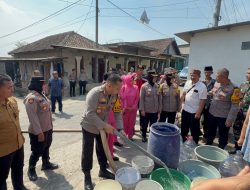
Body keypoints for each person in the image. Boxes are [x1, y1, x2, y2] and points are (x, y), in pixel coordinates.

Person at [80, 73, 124, 190]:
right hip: (89, 126)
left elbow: (117, 111)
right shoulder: (95, 93)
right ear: (109, 85)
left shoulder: (114, 95)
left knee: (103, 149)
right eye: (118, 88)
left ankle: (103, 170)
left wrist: (120, 128)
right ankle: (87, 177)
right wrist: (105, 125)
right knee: (87, 151)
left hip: (102, 128)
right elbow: (90, 114)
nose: (119, 90)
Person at [24, 76, 58, 181]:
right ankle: (31, 169)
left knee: (46, 147)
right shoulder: (32, 98)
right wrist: (39, 133)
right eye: (43, 84)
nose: (45, 85)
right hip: (38, 131)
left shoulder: (41, 95)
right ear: (38, 84)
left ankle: (46, 163)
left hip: (47, 128)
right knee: (37, 151)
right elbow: (33, 118)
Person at [0, 74, 26, 190]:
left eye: (12, 86)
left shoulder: (13, 101)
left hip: (18, 144)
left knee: (18, 169)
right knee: (1, 179)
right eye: (9, 87)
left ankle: (19, 187)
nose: (12, 89)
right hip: (3, 151)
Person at [206, 68, 239, 149]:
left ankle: (221, 151)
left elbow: (235, 106)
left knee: (223, 135)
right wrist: (208, 93)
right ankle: (207, 147)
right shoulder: (217, 83)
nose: (216, 77)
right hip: (212, 113)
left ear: (223, 77)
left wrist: (230, 119)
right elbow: (213, 92)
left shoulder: (235, 88)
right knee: (210, 132)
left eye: (217, 76)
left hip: (223, 116)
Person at [180, 69, 207, 144]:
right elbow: (183, 94)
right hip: (185, 109)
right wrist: (180, 105)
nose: (192, 77)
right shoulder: (188, 83)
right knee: (184, 128)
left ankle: (194, 143)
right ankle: (183, 140)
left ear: (199, 76)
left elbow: (203, 101)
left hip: (194, 112)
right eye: (191, 75)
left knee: (194, 130)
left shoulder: (202, 87)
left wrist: (198, 113)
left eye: (194, 75)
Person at [230, 68, 250, 154]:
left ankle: (245, 150)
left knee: (247, 132)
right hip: (240, 111)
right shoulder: (243, 84)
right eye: (247, 73)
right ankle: (236, 147)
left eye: (249, 73)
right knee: (237, 129)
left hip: (248, 113)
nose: (247, 75)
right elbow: (239, 96)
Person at [139, 70, 160, 143]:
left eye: (156, 77)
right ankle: (144, 135)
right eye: (153, 77)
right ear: (150, 77)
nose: (155, 78)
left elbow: (159, 98)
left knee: (153, 125)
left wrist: (159, 109)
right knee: (144, 124)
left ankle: (152, 137)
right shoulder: (144, 86)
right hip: (146, 110)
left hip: (155, 110)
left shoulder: (157, 86)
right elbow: (141, 99)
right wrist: (142, 110)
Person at [120, 74, 139, 140]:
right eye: (130, 80)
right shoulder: (123, 87)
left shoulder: (136, 88)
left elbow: (137, 99)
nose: (132, 82)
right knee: (124, 123)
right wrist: (126, 107)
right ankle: (124, 137)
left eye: (132, 80)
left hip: (133, 110)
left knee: (131, 123)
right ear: (127, 80)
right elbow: (121, 98)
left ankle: (130, 136)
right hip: (125, 109)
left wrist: (133, 107)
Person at [202, 66, 216, 140]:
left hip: (209, 105)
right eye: (206, 72)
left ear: (211, 73)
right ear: (204, 72)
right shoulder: (201, 82)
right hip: (201, 104)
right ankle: (198, 133)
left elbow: (215, 92)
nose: (207, 73)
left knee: (207, 121)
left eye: (209, 72)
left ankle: (206, 136)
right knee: (198, 119)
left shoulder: (214, 82)